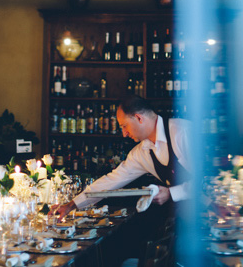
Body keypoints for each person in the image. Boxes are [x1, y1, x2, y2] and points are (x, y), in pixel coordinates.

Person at [51, 94, 192, 219]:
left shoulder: (182, 133)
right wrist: (70, 206)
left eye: (124, 126)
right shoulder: (142, 152)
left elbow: (209, 179)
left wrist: (171, 193)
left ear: (138, 118)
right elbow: (110, 182)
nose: (124, 133)